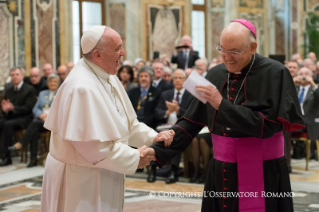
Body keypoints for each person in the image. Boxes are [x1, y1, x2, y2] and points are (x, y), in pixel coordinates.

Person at [150, 19, 304, 212]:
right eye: (222, 49)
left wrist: (221, 105)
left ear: (252, 47)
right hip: (222, 170)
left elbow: (267, 127)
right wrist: (158, 148)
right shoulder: (215, 74)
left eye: (234, 51)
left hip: (264, 172)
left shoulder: (276, 73)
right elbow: (191, 120)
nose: (227, 57)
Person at [40, 26, 173, 212]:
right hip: (80, 179)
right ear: (97, 54)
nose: (123, 52)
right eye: (117, 48)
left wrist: (153, 138)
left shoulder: (108, 76)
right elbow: (93, 147)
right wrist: (135, 157)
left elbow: (129, 124)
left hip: (105, 170)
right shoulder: (81, 87)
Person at [8, 73, 60, 167]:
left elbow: (61, 108)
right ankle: (33, 159)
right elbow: (35, 108)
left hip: (54, 122)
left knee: (34, 124)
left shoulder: (61, 93)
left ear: (58, 83)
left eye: (55, 81)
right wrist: (40, 114)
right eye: (51, 81)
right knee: (34, 131)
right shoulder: (42, 93)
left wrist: (49, 116)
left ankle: (21, 144)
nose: (53, 83)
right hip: (42, 120)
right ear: (47, 83)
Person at [0, 67, 37, 166]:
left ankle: (7, 156)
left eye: (17, 74)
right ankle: (1, 153)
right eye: (12, 75)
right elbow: (7, 107)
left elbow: (28, 108)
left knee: (8, 125)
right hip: (12, 116)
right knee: (1, 122)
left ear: (22, 76)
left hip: (25, 118)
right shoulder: (8, 90)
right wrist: (5, 110)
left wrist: (13, 108)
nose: (15, 77)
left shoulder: (29, 89)